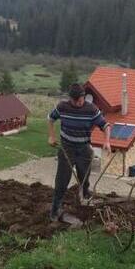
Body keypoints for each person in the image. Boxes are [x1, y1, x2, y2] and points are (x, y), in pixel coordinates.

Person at [47, 83, 111, 221]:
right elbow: (51, 119)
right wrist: (51, 136)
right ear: (70, 98)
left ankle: (85, 199)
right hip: (66, 148)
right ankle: (55, 210)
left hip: (84, 149)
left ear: (84, 97)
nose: (77, 103)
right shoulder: (62, 107)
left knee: (84, 178)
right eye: (74, 100)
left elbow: (105, 126)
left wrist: (106, 141)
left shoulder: (91, 109)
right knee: (62, 181)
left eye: (80, 100)